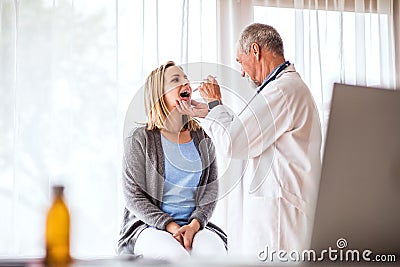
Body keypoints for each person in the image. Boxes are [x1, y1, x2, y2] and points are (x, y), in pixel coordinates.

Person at [176, 23, 322, 257]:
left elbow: (236, 143)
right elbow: (248, 133)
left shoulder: (283, 91)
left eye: (239, 61)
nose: (242, 72)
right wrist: (208, 111)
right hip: (282, 214)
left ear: (255, 50)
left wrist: (214, 104)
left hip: (281, 219)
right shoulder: (283, 89)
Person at [117, 61, 227, 262]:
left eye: (185, 78)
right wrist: (171, 226)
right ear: (159, 94)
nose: (185, 83)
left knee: (215, 255)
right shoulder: (139, 139)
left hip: (195, 225)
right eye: (175, 80)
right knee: (176, 257)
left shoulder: (203, 137)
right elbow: (133, 196)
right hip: (149, 227)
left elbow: (211, 190)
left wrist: (193, 226)